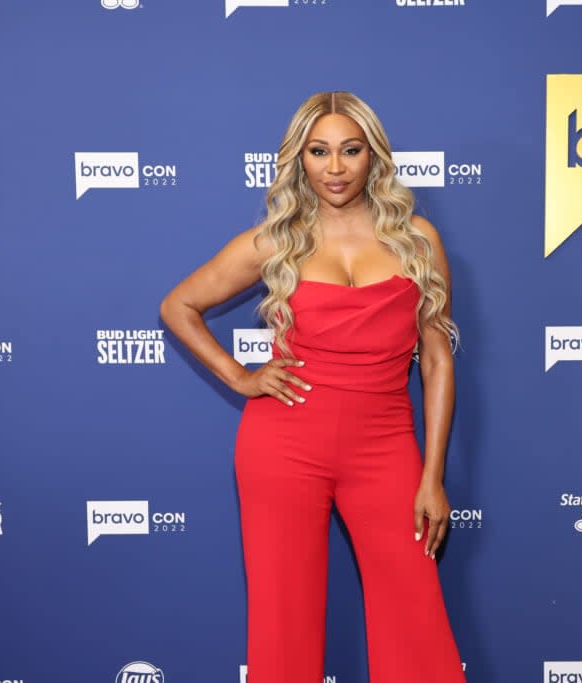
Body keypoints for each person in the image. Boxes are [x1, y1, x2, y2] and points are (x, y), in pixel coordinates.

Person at [158, 91, 467, 683]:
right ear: (299, 159)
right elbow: (180, 305)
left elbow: (437, 361)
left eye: (350, 151)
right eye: (319, 152)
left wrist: (432, 476)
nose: (335, 167)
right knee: (283, 619)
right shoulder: (277, 241)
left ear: (373, 156)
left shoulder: (418, 239)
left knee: (415, 614)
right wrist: (241, 377)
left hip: (385, 447)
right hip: (283, 446)